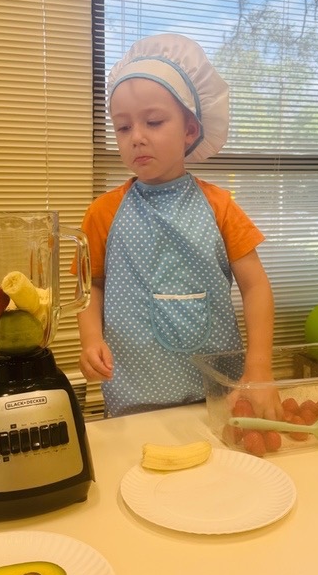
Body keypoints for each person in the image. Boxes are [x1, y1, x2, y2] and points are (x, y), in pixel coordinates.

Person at [75, 33, 282, 419]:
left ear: (190, 130)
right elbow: (91, 286)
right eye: (123, 127)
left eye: (153, 122)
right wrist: (90, 339)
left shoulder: (220, 207)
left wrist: (259, 367)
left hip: (217, 394)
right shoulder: (102, 213)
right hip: (133, 397)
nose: (137, 137)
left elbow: (255, 286)